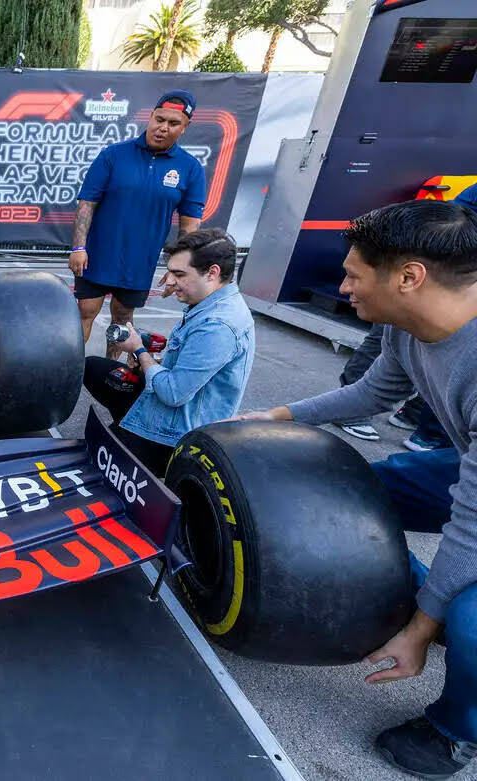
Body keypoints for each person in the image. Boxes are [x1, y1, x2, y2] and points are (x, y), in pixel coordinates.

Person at [234, 200, 477, 779]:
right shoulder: (407, 327)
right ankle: (430, 604)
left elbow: (470, 526)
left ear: (409, 276)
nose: (343, 288)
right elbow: (370, 395)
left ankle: (456, 728)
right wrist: (278, 415)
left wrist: (420, 628)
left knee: (469, 621)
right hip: (469, 463)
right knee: (352, 492)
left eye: (353, 275)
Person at [82, 229, 254, 476]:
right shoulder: (208, 302)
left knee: (95, 459)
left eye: (179, 274)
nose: (169, 281)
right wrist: (153, 360)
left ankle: (145, 449)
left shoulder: (218, 326)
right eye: (170, 271)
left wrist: (140, 350)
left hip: (176, 435)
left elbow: (173, 393)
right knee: (94, 368)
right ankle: (128, 428)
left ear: (213, 273)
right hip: (176, 404)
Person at [69, 89, 207, 360]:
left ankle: (110, 372)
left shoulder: (190, 169)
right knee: (84, 312)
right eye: (159, 119)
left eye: (173, 123)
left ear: (185, 127)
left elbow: (189, 227)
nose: (162, 128)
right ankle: (68, 372)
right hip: (97, 256)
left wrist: (179, 270)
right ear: (151, 117)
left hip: (138, 262)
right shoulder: (113, 155)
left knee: (122, 321)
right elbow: (86, 204)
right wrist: (78, 246)